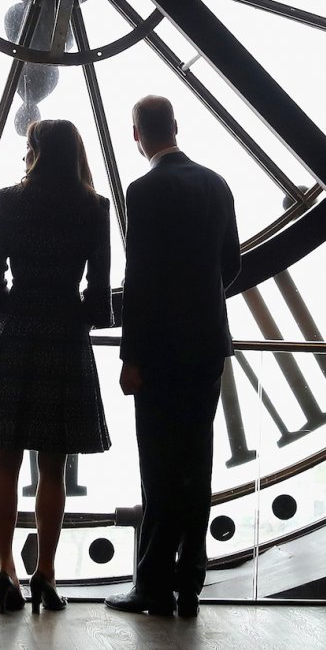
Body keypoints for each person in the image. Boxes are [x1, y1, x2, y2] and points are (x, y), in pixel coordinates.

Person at [0, 119, 113, 614]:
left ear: (34, 151)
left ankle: (4, 568)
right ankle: (45, 573)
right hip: (65, 335)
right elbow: (100, 299)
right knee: (54, 466)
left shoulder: (8, 201)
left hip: (17, 332)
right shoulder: (95, 209)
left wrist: (6, 306)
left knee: (5, 459)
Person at [105, 95, 239, 619]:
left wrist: (131, 355)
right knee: (194, 462)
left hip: (160, 350)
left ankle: (153, 584)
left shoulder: (143, 192)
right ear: (176, 127)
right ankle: (189, 581)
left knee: (159, 467)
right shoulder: (216, 184)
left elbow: (139, 281)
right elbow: (230, 265)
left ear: (136, 134)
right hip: (207, 343)